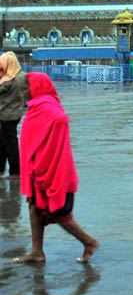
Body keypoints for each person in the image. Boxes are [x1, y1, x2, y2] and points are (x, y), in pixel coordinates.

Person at [12, 73, 98, 264]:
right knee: (34, 207)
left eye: (26, 89)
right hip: (36, 168)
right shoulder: (39, 105)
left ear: (36, 87)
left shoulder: (47, 108)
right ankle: (37, 252)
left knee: (57, 212)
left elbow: (60, 122)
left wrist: (43, 162)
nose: (24, 94)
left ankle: (89, 242)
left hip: (49, 169)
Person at [0, 52, 27, 180]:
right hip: (15, 113)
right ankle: (1, 168)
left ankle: (16, 172)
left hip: (7, 114)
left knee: (10, 144)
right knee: (3, 142)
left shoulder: (8, 80)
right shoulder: (21, 76)